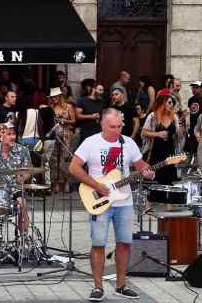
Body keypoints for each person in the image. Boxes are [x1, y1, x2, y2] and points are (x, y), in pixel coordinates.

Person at [69, 108, 155, 302]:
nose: (117, 130)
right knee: (99, 243)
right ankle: (98, 287)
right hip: (100, 200)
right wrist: (96, 185)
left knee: (124, 243)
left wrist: (149, 172)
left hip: (124, 200)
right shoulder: (90, 143)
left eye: (119, 126)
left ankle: (121, 285)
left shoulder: (128, 143)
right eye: (112, 127)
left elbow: (140, 166)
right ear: (102, 124)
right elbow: (73, 168)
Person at [0, 122, 31, 232]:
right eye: (9, 134)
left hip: (15, 187)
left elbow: (28, 171)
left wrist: (23, 178)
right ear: (1, 136)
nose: (13, 137)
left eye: (14, 134)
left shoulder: (23, 150)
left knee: (22, 202)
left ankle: (24, 234)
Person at [141, 94, 180, 186]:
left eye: (172, 103)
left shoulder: (174, 117)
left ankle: (167, 199)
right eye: (169, 102)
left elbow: (178, 135)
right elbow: (143, 132)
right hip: (156, 151)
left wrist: (181, 130)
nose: (171, 105)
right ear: (162, 103)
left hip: (170, 151)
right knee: (156, 178)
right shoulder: (152, 116)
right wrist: (157, 134)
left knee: (168, 179)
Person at [48, 87, 76, 193]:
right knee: (54, 159)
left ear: (60, 97)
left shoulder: (68, 107)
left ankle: (67, 182)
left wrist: (65, 120)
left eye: (55, 96)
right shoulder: (50, 108)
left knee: (66, 158)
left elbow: (74, 120)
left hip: (66, 135)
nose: (54, 98)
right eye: (52, 97)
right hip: (54, 135)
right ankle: (55, 183)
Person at [76, 79, 103, 144]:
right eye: (100, 90)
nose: (102, 92)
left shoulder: (101, 101)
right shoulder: (82, 100)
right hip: (86, 131)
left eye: (102, 90)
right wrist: (91, 116)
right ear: (93, 89)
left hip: (98, 131)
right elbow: (77, 116)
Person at [186, 81, 202, 155]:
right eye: (193, 88)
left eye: (196, 88)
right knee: (192, 149)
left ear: (201, 88)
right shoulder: (190, 100)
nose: (194, 89)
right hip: (192, 126)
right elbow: (190, 112)